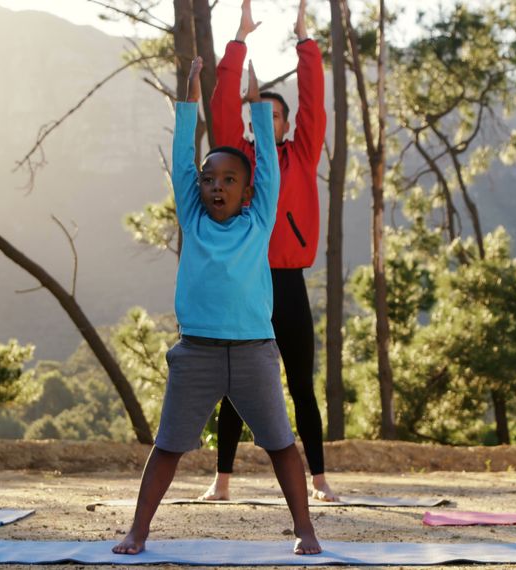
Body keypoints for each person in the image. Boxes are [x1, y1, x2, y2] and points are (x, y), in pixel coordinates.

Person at [111, 56, 321, 556]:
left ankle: (305, 529)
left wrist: (254, 108)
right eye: (210, 180)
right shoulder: (194, 217)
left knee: (281, 447)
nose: (217, 187)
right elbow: (184, 156)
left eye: (229, 180)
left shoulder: (258, 220)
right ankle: (138, 531)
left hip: (253, 355)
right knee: (167, 448)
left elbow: (267, 162)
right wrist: (188, 97)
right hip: (198, 354)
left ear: (248, 191)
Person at [201, 0, 335, 503]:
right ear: (254, 122)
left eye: (278, 114)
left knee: (301, 383)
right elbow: (220, 109)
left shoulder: (301, 155)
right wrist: (238, 40)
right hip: (248, 282)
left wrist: (305, 41)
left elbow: (316, 101)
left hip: (290, 281)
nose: (270, 119)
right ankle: (223, 481)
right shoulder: (243, 161)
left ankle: (320, 480)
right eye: (263, 114)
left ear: (286, 123)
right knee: (237, 383)